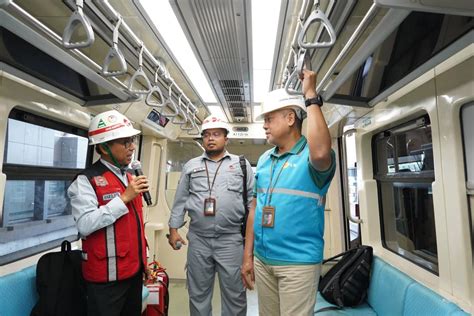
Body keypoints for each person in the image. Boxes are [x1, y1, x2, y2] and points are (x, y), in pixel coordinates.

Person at [241, 69, 336, 316]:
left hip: (298, 263)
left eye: (269, 119)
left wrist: (310, 95)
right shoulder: (263, 159)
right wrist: (248, 256)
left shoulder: (311, 157)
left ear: (290, 118)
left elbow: (321, 153)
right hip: (263, 260)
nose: (264, 126)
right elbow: (255, 208)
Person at [168, 115, 254, 316]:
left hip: (231, 240)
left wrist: (251, 245)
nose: (210, 139)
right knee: (198, 295)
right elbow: (180, 200)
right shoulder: (191, 165)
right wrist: (173, 230)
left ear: (226, 138)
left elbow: (252, 205)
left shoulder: (241, 165)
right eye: (206, 135)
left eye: (216, 134)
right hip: (198, 239)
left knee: (235, 295)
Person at [67, 110, 149, 316]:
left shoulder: (131, 176)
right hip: (105, 279)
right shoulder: (86, 180)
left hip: (133, 273)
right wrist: (122, 199)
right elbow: (85, 224)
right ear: (103, 148)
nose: (132, 147)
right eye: (125, 142)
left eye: (132, 140)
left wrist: (144, 262)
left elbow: (136, 226)